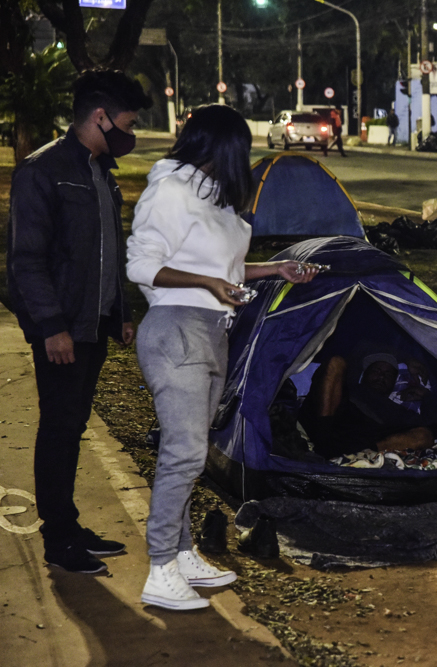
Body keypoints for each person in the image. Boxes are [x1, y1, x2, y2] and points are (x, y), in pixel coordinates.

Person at [126, 104, 318, 611]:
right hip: (176, 330)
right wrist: (208, 283)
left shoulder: (212, 196)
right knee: (185, 452)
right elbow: (142, 265)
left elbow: (223, 270)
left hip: (214, 331)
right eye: (244, 147)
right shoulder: (169, 190)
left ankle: (183, 551)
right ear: (225, 146)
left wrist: (275, 269)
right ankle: (160, 566)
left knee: (194, 451)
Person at [7, 69, 151, 574]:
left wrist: (121, 312)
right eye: (128, 122)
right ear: (99, 115)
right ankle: (58, 539)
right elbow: (26, 261)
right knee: (59, 429)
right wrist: (51, 327)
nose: (130, 133)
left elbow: (108, 250)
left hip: (92, 325)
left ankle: (68, 525)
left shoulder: (98, 170)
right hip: (62, 330)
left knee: (72, 428)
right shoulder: (42, 171)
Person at [297, 351, 437, 457]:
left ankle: (357, 456)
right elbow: (360, 344)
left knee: (424, 436)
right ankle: (323, 443)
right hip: (332, 424)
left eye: (388, 374)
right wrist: (406, 356)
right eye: (377, 370)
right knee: (336, 362)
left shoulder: (396, 410)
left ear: (394, 382)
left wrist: (426, 396)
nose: (382, 376)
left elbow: (435, 427)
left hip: (364, 442)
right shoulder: (351, 388)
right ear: (364, 374)